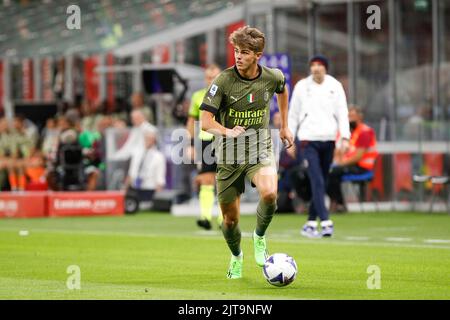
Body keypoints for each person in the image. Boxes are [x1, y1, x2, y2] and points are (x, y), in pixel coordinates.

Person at [200, 26, 294, 279]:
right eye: (236, 51)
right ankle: (236, 256)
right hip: (229, 157)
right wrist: (226, 131)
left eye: (244, 52)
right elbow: (205, 122)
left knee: (270, 193)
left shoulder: (272, 77)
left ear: (258, 55)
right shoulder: (223, 81)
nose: (238, 57)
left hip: (258, 149)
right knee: (229, 222)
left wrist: (284, 125)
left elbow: (283, 90)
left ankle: (260, 236)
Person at [288, 54, 350, 238]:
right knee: (316, 178)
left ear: (326, 68)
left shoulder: (335, 86)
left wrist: (345, 137)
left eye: (319, 65)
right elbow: (293, 114)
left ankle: (309, 222)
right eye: (313, 65)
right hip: (308, 139)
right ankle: (325, 220)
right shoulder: (302, 86)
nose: (316, 68)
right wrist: (290, 141)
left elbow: (342, 112)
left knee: (322, 179)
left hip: (329, 139)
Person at [186, 63, 223, 230]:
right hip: (205, 141)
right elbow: (191, 121)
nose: (211, 80)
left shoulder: (228, 95)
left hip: (224, 140)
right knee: (206, 179)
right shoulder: (197, 96)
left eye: (214, 76)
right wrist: (191, 144)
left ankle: (224, 219)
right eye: (209, 77)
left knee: (224, 180)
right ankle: (205, 217)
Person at [327, 106, 378, 212]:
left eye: (351, 116)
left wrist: (340, 164)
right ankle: (336, 202)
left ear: (360, 117)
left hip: (362, 167)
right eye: (348, 116)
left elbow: (358, 156)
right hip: (348, 164)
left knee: (333, 172)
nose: (349, 119)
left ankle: (338, 203)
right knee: (326, 171)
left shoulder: (365, 132)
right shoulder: (350, 133)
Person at [125, 129, 166, 201]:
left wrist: (158, 197)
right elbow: (131, 172)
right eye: (146, 138)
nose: (148, 141)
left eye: (150, 139)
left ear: (154, 140)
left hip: (149, 189)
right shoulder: (137, 153)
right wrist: (125, 188)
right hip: (135, 188)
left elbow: (160, 177)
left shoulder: (159, 156)